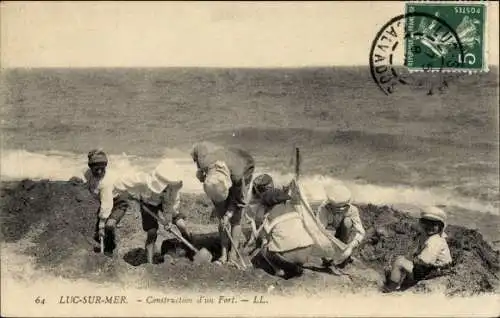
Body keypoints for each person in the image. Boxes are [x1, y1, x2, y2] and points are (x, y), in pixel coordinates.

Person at [190, 141, 255, 266]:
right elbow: (196, 150)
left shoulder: (238, 174)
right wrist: (200, 173)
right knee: (221, 218)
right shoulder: (204, 161)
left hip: (244, 167)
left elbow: (239, 201)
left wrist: (228, 214)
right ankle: (223, 254)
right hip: (218, 177)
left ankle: (233, 256)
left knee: (235, 218)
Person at [126, 163, 192, 264]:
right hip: (148, 203)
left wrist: (168, 221)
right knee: (152, 232)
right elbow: (131, 186)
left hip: (166, 202)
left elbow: (169, 205)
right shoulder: (145, 183)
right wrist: (131, 194)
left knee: (181, 224)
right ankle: (150, 263)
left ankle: (190, 248)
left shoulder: (173, 188)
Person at [382, 206, 453, 293]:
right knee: (405, 261)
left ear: (440, 227)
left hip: (435, 272)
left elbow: (425, 260)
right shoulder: (427, 236)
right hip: (430, 269)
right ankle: (403, 285)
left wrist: (412, 260)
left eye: (434, 224)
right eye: (426, 223)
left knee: (399, 262)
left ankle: (391, 288)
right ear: (421, 223)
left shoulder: (435, 240)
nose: (429, 226)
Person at [257, 183, 315, 279]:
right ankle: (298, 264)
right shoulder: (295, 210)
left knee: (264, 247)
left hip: (289, 256)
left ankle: (279, 270)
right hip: (306, 252)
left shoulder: (269, 216)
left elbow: (261, 237)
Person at [316, 183, 365, 268]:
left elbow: (361, 232)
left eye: (342, 209)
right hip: (329, 236)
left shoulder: (352, 210)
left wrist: (350, 247)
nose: (339, 211)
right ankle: (329, 255)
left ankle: (343, 251)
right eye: (336, 208)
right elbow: (319, 230)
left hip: (343, 237)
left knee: (347, 222)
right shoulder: (324, 209)